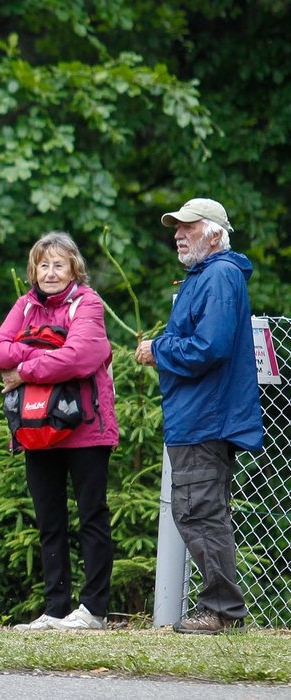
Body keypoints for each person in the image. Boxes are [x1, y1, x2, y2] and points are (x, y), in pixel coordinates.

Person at [135, 197, 262, 634]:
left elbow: (210, 347)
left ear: (213, 233)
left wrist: (158, 349)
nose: (177, 234)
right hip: (203, 413)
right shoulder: (208, 276)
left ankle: (222, 612)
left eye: (188, 227)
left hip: (206, 416)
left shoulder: (220, 275)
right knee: (200, 510)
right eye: (177, 227)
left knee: (198, 511)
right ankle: (222, 609)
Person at [0, 231, 118, 631]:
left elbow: (79, 358)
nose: (51, 272)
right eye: (43, 265)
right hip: (37, 429)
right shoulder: (25, 306)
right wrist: (45, 354)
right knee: (49, 520)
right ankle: (55, 608)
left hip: (85, 429)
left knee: (91, 516)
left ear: (74, 268)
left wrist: (24, 367)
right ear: (33, 270)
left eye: (59, 264)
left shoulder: (88, 304)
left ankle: (93, 609)